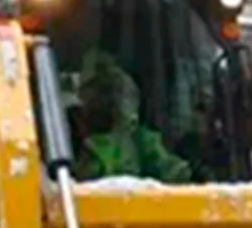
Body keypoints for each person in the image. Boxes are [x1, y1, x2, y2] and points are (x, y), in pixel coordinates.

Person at [73, 46, 193, 184]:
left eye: (127, 97)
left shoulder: (141, 140)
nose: (115, 102)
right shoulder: (65, 140)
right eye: (104, 93)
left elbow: (174, 171)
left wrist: (189, 172)